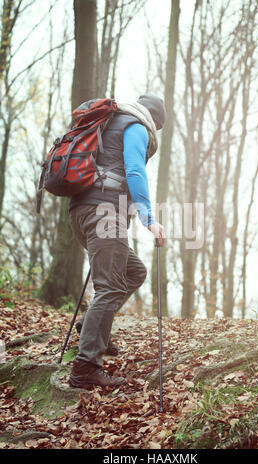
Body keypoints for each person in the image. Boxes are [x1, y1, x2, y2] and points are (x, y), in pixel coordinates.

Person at [68, 94, 166, 389]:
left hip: (80, 212)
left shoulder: (108, 122)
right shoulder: (135, 126)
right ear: (155, 120)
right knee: (110, 287)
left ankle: (91, 326)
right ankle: (85, 367)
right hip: (104, 214)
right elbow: (134, 170)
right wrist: (149, 218)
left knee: (134, 271)